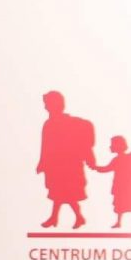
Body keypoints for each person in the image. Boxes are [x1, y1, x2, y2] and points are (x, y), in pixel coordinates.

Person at [36, 90, 97, 229]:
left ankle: (75, 217)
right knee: (58, 193)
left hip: (68, 165)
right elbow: (45, 145)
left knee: (65, 193)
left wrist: (88, 157)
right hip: (54, 165)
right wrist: (42, 163)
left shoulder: (72, 123)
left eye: (47, 104)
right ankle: (58, 218)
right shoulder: (48, 124)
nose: (45, 107)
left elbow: (82, 144)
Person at [90, 135, 131, 229]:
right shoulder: (117, 159)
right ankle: (119, 222)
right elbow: (106, 169)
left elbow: (106, 169)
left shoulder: (122, 159)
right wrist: (96, 168)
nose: (110, 147)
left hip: (126, 186)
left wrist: (96, 167)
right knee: (120, 205)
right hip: (120, 186)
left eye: (112, 145)